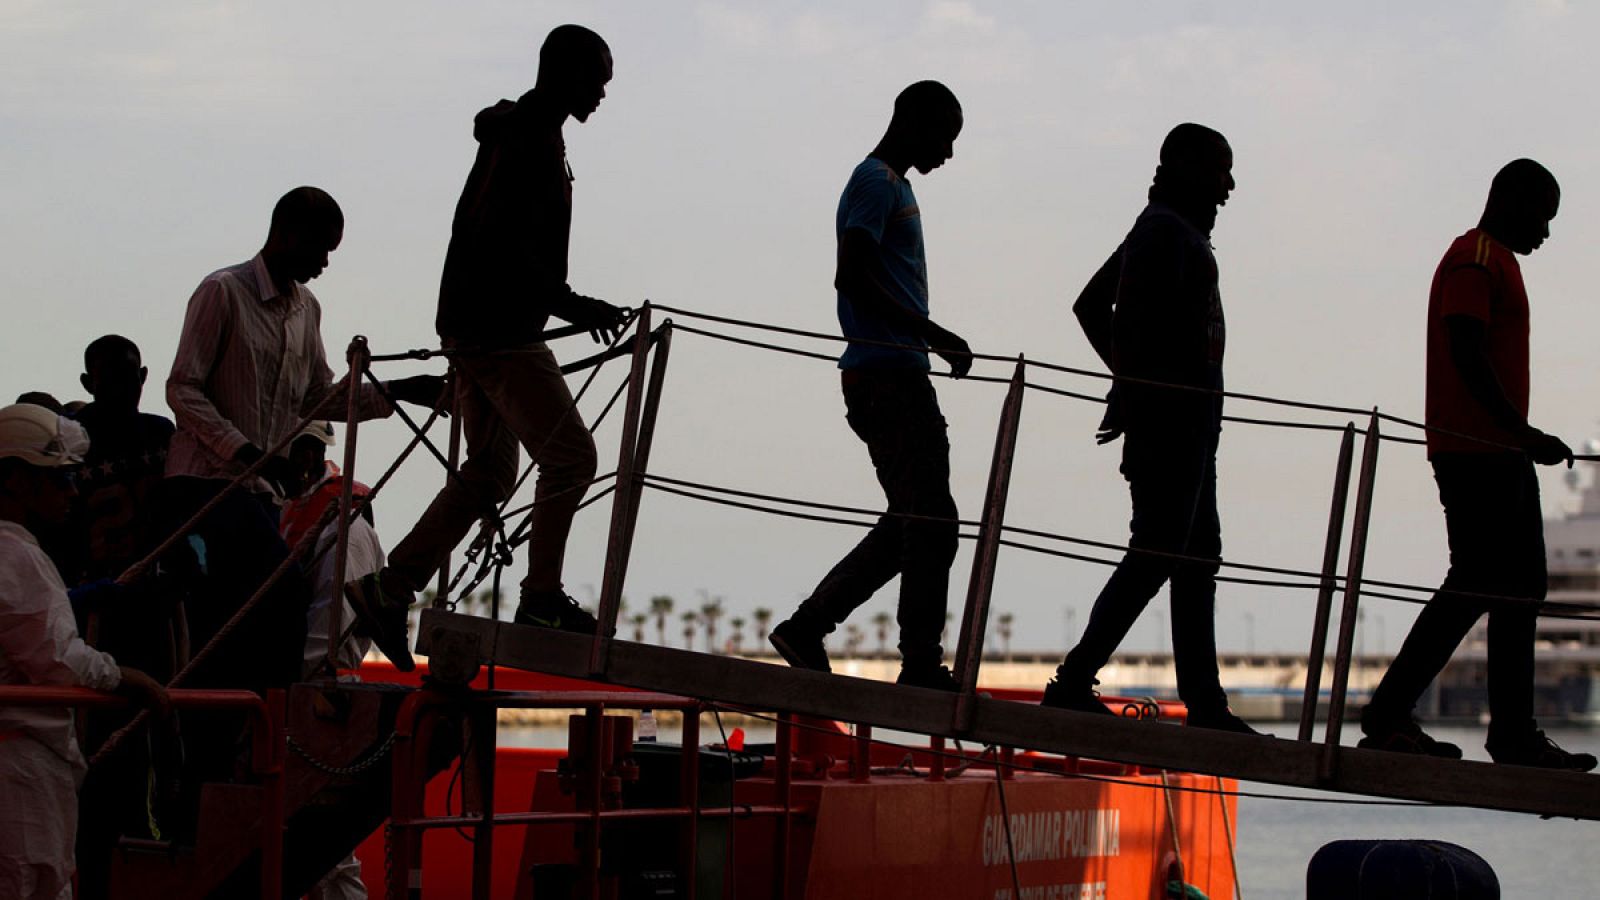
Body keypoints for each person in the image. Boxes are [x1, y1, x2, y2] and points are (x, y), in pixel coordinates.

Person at [348, 24, 628, 668]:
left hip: (479, 326)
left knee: (493, 472)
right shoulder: (526, 138)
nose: (603, 94)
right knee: (571, 458)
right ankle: (541, 595)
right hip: (500, 330)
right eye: (598, 80)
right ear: (564, 74)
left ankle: (391, 587)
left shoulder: (527, 133)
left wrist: (565, 302)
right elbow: (500, 245)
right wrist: (573, 304)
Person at [1359, 160, 1596, 771]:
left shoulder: (1497, 260)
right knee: (1480, 582)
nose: (1545, 234)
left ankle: (1506, 732)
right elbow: (1465, 346)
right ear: (1510, 200)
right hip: (1478, 451)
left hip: (1495, 450)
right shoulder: (1477, 258)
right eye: (1542, 218)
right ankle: (1399, 717)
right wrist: (1523, 432)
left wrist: (1518, 439)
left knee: (1513, 585)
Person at [164, 186, 442, 692]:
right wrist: (246, 453)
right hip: (207, 486)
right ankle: (279, 715)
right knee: (281, 593)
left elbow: (320, 399)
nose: (326, 263)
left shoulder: (306, 309)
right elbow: (182, 388)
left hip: (260, 494)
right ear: (287, 235)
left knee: (253, 605)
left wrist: (399, 391)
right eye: (322, 249)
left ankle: (256, 723)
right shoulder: (222, 291)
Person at [1042, 124, 1255, 733]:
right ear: (1186, 168)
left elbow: (1095, 307)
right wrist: (1137, 389)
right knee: (1160, 550)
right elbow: (1110, 314)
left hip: (1190, 425)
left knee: (1194, 557)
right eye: (1221, 171)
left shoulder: (1165, 226)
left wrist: (1131, 385)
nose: (1230, 187)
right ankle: (1075, 680)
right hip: (1175, 426)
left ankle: (1205, 704)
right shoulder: (1164, 230)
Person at [767, 81, 971, 691]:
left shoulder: (892, 185)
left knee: (912, 519)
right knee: (933, 521)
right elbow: (851, 274)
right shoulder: (876, 183)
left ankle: (808, 626)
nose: (948, 155)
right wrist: (931, 332)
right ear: (913, 121)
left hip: (892, 372)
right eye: (944, 138)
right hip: (888, 375)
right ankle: (918, 663)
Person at [0, 403, 169, 899]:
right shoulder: (16, 554)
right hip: (20, 765)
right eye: (57, 480)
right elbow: (56, 658)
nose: (72, 492)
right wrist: (126, 677)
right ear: (13, 479)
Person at [68, 336, 182, 896]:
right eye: (110, 379)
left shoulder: (163, 436)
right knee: (99, 747)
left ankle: (149, 845)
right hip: (96, 616)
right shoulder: (71, 446)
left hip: (157, 610)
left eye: (130, 377)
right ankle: (97, 862)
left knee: (160, 736)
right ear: (89, 385)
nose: (123, 388)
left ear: (143, 377)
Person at [278, 421, 375, 900]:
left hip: (321, 697)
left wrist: (311, 687)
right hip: (305, 696)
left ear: (311, 452)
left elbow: (331, 628)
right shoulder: (295, 510)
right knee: (312, 856)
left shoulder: (343, 525)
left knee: (328, 857)